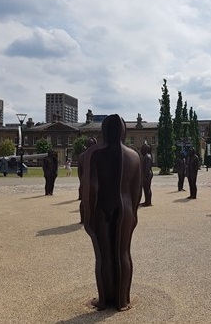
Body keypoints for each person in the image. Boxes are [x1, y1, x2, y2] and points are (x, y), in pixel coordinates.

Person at [79, 114, 142, 312]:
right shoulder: (134, 156)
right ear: (124, 131)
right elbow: (136, 190)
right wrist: (134, 214)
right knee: (123, 253)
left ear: (104, 130)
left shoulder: (94, 153)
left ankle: (104, 300)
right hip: (126, 208)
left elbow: (90, 187)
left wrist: (87, 215)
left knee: (103, 255)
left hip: (103, 207)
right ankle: (122, 300)